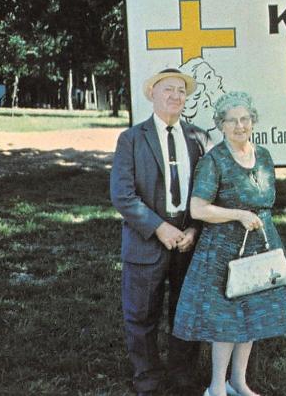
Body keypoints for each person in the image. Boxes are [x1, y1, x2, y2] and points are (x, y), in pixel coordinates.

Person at [173, 91, 286, 396]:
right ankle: (216, 386)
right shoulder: (214, 160)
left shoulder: (264, 156)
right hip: (223, 251)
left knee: (252, 314)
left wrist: (254, 219)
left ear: (252, 121)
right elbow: (198, 209)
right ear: (221, 125)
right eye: (232, 121)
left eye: (245, 119)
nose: (240, 125)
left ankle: (238, 382)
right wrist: (239, 214)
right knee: (226, 319)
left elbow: (265, 201)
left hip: (260, 246)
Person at [110, 68, 213, 396]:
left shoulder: (200, 138)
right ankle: (148, 379)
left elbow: (210, 191)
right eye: (167, 90)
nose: (175, 96)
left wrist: (195, 228)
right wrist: (158, 228)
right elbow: (123, 195)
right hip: (146, 242)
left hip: (188, 242)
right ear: (152, 95)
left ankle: (182, 376)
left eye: (181, 91)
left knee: (187, 312)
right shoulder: (132, 139)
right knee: (141, 314)